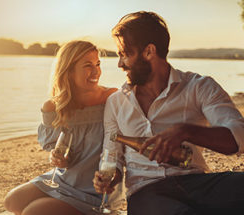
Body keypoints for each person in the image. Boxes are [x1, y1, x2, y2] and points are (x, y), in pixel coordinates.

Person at [93, 11, 244, 215]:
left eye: (124, 54)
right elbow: (113, 157)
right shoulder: (115, 102)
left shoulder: (198, 87)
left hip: (198, 182)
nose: (120, 64)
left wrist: (186, 131)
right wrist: (111, 176)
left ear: (149, 51)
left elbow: (239, 138)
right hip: (146, 191)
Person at [4, 40, 121, 215]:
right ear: (69, 70)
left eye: (98, 64)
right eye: (88, 65)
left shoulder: (112, 99)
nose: (96, 71)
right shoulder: (53, 107)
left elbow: (120, 148)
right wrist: (57, 158)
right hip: (64, 179)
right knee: (12, 201)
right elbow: (55, 148)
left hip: (95, 190)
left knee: (33, 212)